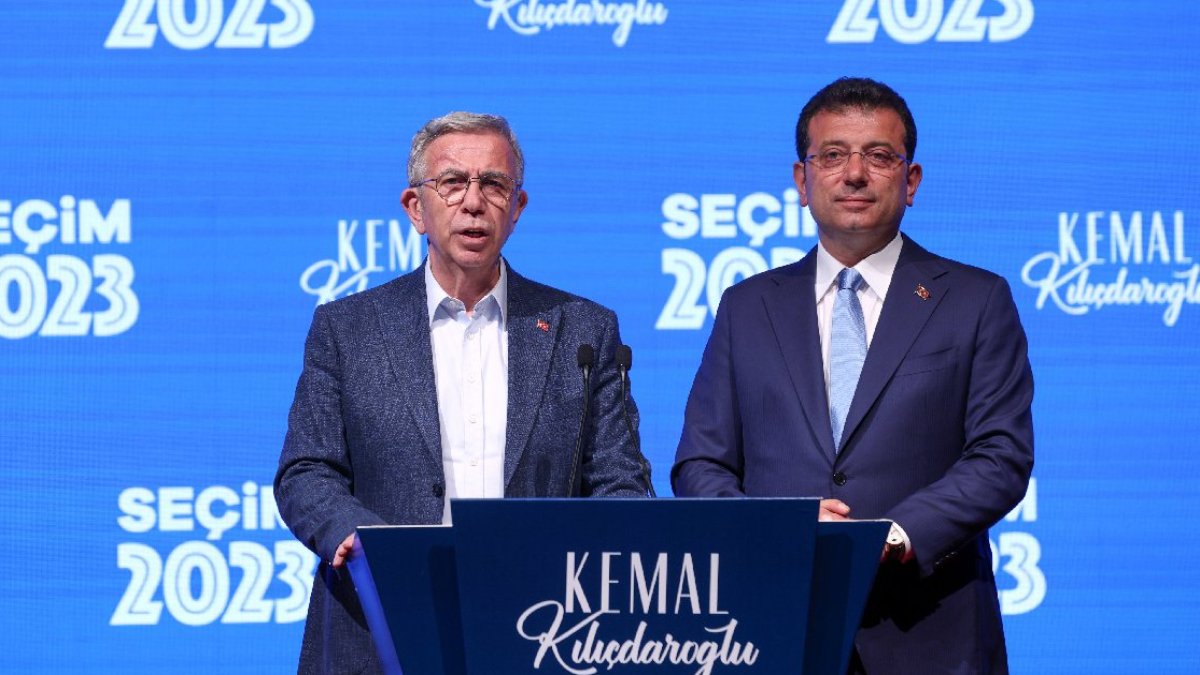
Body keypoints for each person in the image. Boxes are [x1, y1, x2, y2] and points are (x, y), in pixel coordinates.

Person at [671, 77, 1034, 674]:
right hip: (775, 626)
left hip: (930, 632)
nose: (856, 174)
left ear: (911, 181)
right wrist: (781, 528)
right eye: (833, 155)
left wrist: (894, 535)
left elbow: (1001, 456)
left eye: (879, 156)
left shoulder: (975, 300)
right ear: (802, 180)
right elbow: (700, 465)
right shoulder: (747, 307)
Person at [275, 111, 650, 674]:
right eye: (452, 183)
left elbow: (620, 481)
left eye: (494, 184)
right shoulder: (347, 329)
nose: (473, 202)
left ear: (517, 208)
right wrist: (355, 535)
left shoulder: (583, 330)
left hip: (544, 629)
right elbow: (306, 470)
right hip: (382, 627)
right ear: (415, 208)